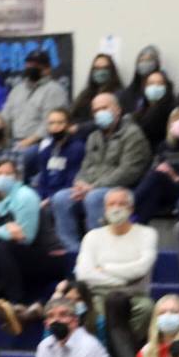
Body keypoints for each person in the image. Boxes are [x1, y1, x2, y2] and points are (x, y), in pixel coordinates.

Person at [74, 188, 158, 357]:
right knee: (86, 313)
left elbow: (142, 268)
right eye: (111, 204)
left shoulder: (147, 233)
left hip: (134, 294)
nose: (116, 208)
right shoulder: (93, 236)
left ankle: (121, 356)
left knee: (147, 310)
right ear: (104, 209)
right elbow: (84, 273)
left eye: (121, 204)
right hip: (98, 294)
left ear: (131, 208)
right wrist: (122, 278)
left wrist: (104, 268)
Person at [50, 92, 152, 251]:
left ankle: (98, 248)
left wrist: (93, 187)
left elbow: (129, 171)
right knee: (61, 198)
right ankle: (73, 251)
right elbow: (85, 166)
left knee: (94, 197)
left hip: (123, 188)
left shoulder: (133, 134)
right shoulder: (94, 137)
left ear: (117, 110)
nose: (100, 113)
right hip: (93, 187)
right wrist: (79, 183)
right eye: (96, 110)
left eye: (104, 108)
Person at [0, 160, 67, 323]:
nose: (3, 177)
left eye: (8, 174)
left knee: (3, 247)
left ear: (16, 177)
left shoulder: (25, 195)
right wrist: (5, 231)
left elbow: (25, 237)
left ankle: (17, 303)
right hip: (17, 253)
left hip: (50, 255)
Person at [133, 106, 179, 223]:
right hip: (165, 188)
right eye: (176, 120)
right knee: (154, 187)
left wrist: (175, 177)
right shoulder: (164, 146)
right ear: (170, 125)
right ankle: (136, 224)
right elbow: (151, 174)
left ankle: (129, 206)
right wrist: (162, 170)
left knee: (157, 178)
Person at [1, 50, 70, 151]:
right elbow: (5, 117)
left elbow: (50, 124)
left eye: (36, 65)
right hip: (12, 141)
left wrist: (26, 143)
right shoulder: (17, 90)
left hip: (39, 142)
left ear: (47, 69)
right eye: (29, 64)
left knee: (26, 155)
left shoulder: (54, 90)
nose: (31, 67)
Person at [33, 107, 85, 201]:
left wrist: (50, 199)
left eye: (60, 123)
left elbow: (72, 180)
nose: (55, 127)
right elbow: (43, 180)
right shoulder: (46, 151)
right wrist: (41, 198)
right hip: (47, 196)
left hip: (65, 196)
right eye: (51, 123)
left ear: (69, 125)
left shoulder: (77, 148)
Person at [69, 54, 123, 130]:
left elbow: (107, 120)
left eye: (105, 68)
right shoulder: (85, 94)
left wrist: (79, 128)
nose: (100, 72)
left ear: (111, 71)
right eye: (97, 68)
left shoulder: (118, 94)